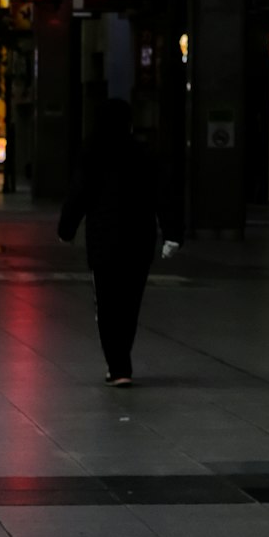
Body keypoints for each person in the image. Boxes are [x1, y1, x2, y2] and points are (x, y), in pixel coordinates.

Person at [58, 98, 182, 386]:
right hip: (139, 239)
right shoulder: (144, 154)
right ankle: (121, 361)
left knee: (107, 303)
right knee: (130, 303)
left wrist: (67, 229)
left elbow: (78, 195)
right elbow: (164, 195)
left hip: (103, 239)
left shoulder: (92, 153)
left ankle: (118, 366)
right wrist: (172, 234)